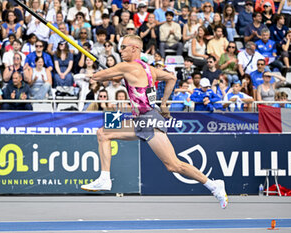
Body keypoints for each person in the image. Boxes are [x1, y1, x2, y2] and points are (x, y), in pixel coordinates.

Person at [81, 35, 228, 209]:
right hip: (143, 119)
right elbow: (171, 78)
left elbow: (97, 77)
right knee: (103, 133)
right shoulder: (149, 69)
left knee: (174, 165)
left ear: (134, 49)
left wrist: (95, 73)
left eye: (123, 47)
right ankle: (104, 178)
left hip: (149, 120)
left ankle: (214, 185)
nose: (120, 50)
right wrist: (164, 103)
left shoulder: (127, 66)